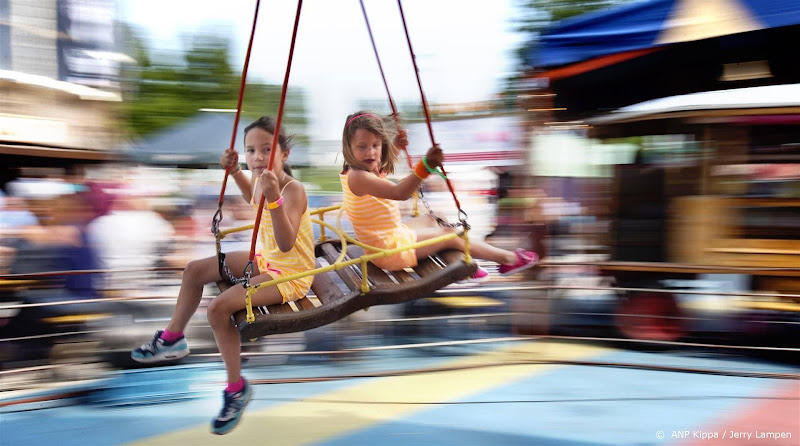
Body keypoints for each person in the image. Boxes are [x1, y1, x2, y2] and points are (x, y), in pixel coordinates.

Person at [130, 116, 315, 435]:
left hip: (290, 274)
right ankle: (173, 339)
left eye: (266, 149)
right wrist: (235, 172)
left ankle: (236, 388)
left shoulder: (292, 189)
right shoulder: (263, 180)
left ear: (285, 154)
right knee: (194, 270)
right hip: (266, 259)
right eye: (251, 150)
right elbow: (252, 197)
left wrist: (274, 198)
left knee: (218, 308)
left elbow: (286, 246)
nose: (257, 157)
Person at [339, 111, 538, 281]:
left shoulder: (364, 171)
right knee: (450, 234)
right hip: (388, 252)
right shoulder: (358, 177)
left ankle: (465, 264)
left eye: (376, 145)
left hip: (388, 238)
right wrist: (425, 167)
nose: (370, 152)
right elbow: (399, 193)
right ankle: (508, 259)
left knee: (437, 217)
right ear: (349, 148)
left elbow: (381, 166)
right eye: (362, 146)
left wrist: (395, 145)